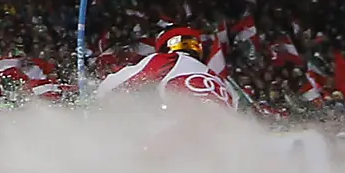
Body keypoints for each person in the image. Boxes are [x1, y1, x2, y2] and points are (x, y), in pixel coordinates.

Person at [96, 25, 243, 109]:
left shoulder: (169, 59)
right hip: (223, 138)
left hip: (184, 128)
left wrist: (96, 98)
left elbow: (121, 82)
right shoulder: (222, 81)